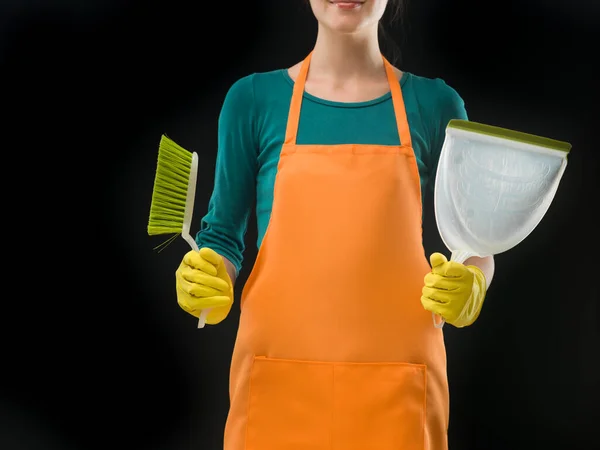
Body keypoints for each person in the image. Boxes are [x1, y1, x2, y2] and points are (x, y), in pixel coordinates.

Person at [175, 0, 495, 449]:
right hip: (278, 389)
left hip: (397, 392)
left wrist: (473, 284)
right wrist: (207, 277)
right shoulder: (252, 101)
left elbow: (475, 245)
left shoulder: (437, 105)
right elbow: (222, 238)